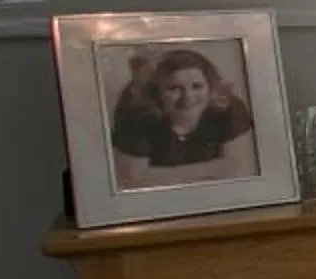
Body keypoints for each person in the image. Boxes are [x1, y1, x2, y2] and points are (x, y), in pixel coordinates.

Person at [110, 47, 259, 189]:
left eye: (197, 86)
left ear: (211, 87)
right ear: (156, 92)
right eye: (174, 88)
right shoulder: (135, 116)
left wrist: (159, 176)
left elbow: (235, 168)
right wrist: (213, 168)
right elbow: (134, 180)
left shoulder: (229, 109)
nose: (188, 98)